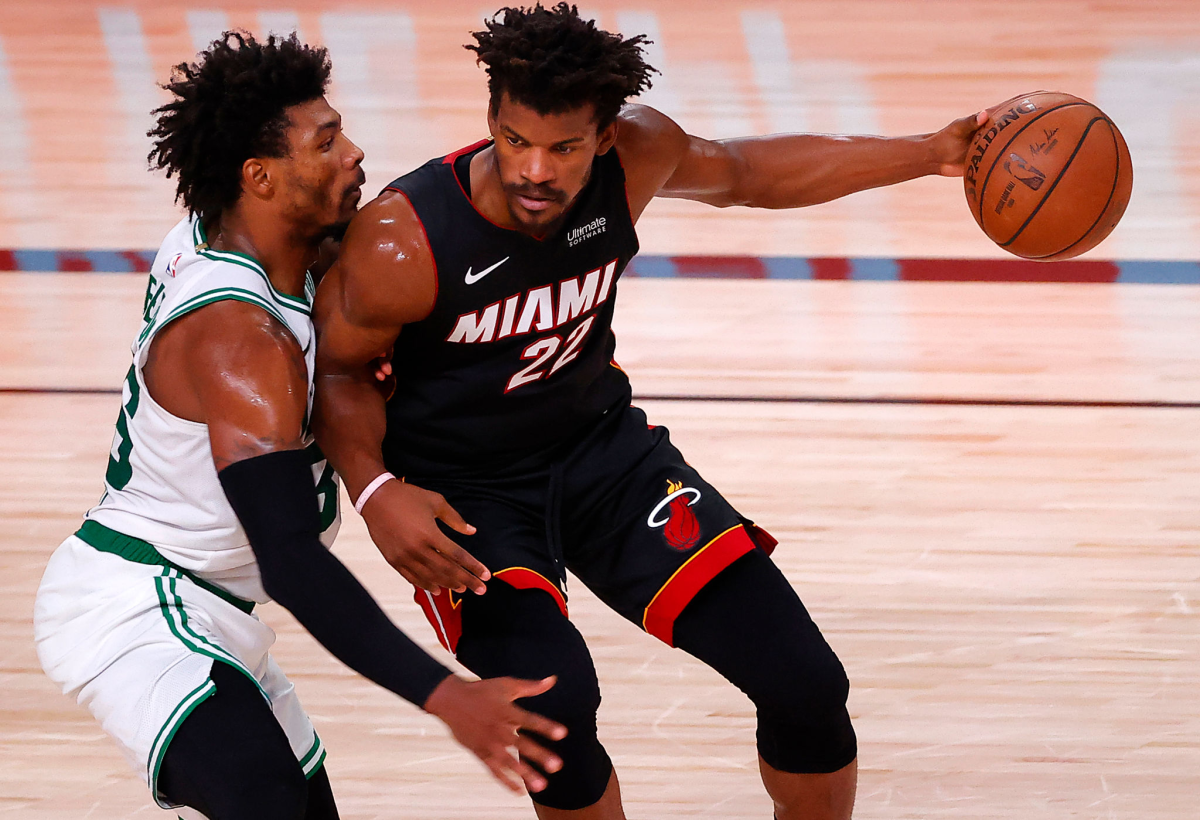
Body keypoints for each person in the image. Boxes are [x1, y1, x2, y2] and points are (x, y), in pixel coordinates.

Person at [312, 5, 988, 818]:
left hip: (608, 461)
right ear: (491, 118)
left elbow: (746, 173)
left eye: (563, 148)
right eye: (516, 139)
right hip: (470, 497)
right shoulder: (403, 239)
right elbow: (342, 374)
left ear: (602, 137)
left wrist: (935, 152)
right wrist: (377, 492)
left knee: (806, 684)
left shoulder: (637, 157)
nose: (534, 169)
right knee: (553, 718)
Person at [33, 31, 567, 820]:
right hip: (139, 603)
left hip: (218, 610)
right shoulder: (244, 345)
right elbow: (289, 559)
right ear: (261, 177)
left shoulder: (229, 239)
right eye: (327, 142)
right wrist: (446, 695)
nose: (355, 153)